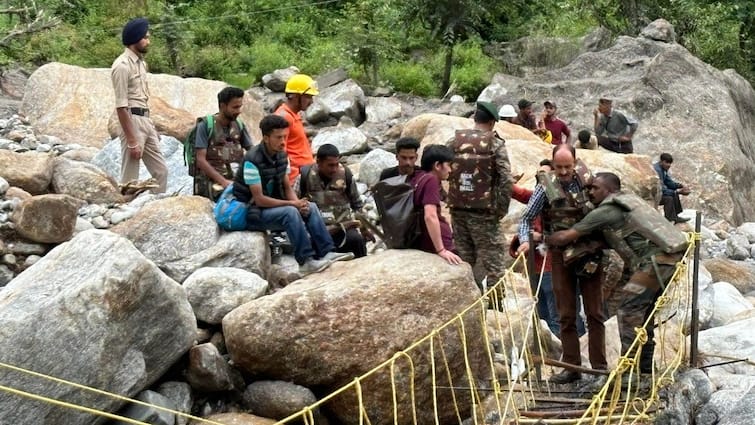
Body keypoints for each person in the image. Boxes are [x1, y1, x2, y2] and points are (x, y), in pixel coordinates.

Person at [547, 172, 688, 378]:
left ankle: (629, 373)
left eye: (595, 188)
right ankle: (646, 368)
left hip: (654, 263)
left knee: (628, 309)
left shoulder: (606, 210)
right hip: (667, 259)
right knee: (644, 313)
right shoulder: (629, 200)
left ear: (609, 189)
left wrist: (545, 239)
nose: (590, 192)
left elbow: (567, 236)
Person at [517, 144, 607, 383]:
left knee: (595, 312)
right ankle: (571, 367)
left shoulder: (592, 184)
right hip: (559, 255)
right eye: (559, 167)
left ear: (576, 162)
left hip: (590, 254)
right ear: (553, 165)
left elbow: (608, 211)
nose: (564, 172)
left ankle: (599, 367)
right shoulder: (545, 188)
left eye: (568, 167)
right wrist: (525, 240)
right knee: (565, 312)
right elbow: (526, 218)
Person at [232, 115, 352, 277]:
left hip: (269, 209)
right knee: (290, 212)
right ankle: (306, 261)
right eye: (278, 137)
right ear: (266, 138)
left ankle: (326, 251)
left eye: (285, 137)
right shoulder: (251, 161)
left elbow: (287, 187)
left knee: (310, 207)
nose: (283, 141)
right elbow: (259, 199)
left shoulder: (282, 156)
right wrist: (292, 205)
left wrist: (299, 203)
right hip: (252, 213)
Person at [509, 160, 586, 337]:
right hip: (536, 267)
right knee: (542, 314)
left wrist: (539, 238)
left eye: (545, 175)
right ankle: (554, 351)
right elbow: (518, 194)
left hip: (554, 265)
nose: (541, 179)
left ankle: (573, 350)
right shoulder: (538, 197)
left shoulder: (563, 202)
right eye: (539, 175)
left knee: (558, 314)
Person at [447, 101, 512, 290]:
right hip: (485, 214)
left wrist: (446, 196)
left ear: (475, 118)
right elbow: (506, 179)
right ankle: (496, 308)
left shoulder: (455, 141)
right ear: (492, 122)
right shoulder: (495, 143)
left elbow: (438, 166)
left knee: (464, 261)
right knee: (495, 265)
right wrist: (501, 209)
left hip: (458, 211)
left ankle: (468, 302)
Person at [111, 17, 168, 193]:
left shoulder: (141, 63)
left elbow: (142, 97)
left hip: (145, 120)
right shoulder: (121, 66)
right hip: (131, 121)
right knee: (130, 178)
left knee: (161, 171)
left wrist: (151, 127)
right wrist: (132, 140)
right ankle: (125, 213)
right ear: (135, 38)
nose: (148, 41)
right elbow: (121, 106)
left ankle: (153, 210)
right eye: (145, 37)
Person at [299, 144, 367, 258]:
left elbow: (357, 204)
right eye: (330, 165)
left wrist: (365, 229)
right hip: (317, 231)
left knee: (357, 240)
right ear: (319, 162)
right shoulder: (305, 177)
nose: (334, 169)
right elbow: (295, 203)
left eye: (336, 164)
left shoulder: (346, 175)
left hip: (344, 228)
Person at [193, 86, 254, 200]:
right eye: (235, 107)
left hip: (236, 180)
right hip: (211, 183)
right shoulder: (205, 126)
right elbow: (200, 160)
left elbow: (252, 151)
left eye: (240, 107)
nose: (238, 111)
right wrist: (223, 182)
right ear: (222, 106)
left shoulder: (239, 125)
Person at [411, 144, 462, 265]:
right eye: (448, 165)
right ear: (437, 165)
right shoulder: (431, 180)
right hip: (436, 243)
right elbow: (430, 216)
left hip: (421, 239)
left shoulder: (418, 176)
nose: (450, 170)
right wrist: (441, 250)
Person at [275, 73, 319, 185]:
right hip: (296, 179)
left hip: (305, 173)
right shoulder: (283, 117)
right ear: (295, 96)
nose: (311, 101)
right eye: (308, 96)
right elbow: (279, 153)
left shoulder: (294, 115)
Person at [653, 153, 691, 223]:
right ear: (661, 161)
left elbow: (669, 182)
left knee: (673, 193)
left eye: (670, 163)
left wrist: (681, 185)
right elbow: (661, 188)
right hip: (654, 195)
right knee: (669, 198)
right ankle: (670, 218)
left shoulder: (663, 169)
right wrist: (678, 192)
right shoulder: (657, 170)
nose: (669, 165)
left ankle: (675, 216)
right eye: (667, 163)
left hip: (659, 192)